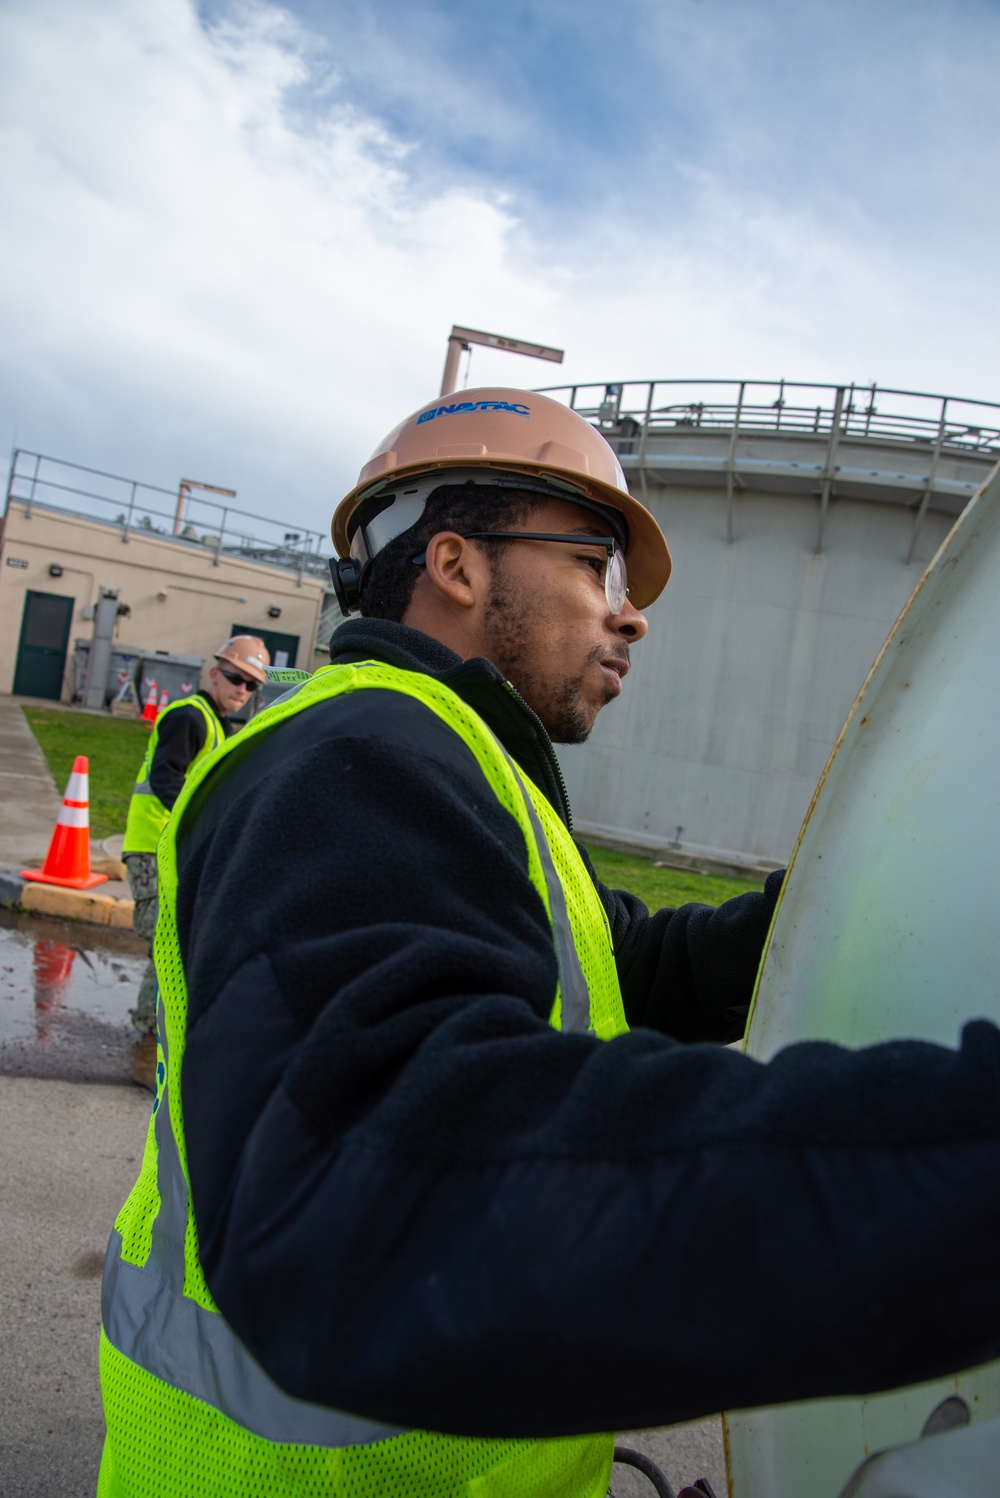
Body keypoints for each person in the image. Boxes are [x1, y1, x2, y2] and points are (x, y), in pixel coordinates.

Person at [98, 389, 1000, 1498]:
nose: (633, 617)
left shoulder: (457, 771)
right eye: (599, 568)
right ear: (457, 565)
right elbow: (373, 1189)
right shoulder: (358, 754)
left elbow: (641, 965)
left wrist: (877, 878)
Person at [120, 635, 270, 1088]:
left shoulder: (221, 727)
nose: (241, 689)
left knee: (174, 946)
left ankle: (164, 1047)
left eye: (250, 684)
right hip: (152, 849)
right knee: (163, 945)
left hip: (174, 852)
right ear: (214, 674)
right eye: (234, 677)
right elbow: (165, 779)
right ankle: (147, 1054)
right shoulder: (190, 716)